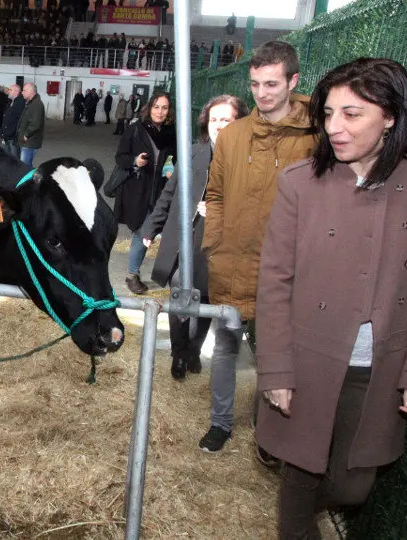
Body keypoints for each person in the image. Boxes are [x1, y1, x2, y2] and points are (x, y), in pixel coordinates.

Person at [256, 57, 407, 539]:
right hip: (308, 360)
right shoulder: (300, 182)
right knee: (300, 480)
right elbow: (275, 280)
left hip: (378, 366)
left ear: (390, 116)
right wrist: (277, 368)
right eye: (328, 114)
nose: (334, 128)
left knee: (353, 486)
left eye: (351, 114)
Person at [199, 40, 317, 454]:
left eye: (271, 84)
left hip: (283, 271)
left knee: (274, 359)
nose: (262, 94)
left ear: (293, 81)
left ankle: (268, 434)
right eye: (255, 84)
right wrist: (214, 241)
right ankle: (220, 423)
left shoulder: (314, 138)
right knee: (225, 350)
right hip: (230, 262)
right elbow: (214, 194)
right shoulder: (232, 136)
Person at [142, 95, 248, 378]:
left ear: (240, 124)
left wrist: (221, 208)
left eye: (226, 120)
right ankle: (179, 353)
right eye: (214, 119)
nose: (219, 126)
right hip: (183, 239)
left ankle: (193, 351)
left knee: (205, 301)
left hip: (217, 245)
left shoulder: (248, 162)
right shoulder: (192, 152)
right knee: (179, 296)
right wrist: (152, 227)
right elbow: (170, 191)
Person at [113, 92, 177, 295]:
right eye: (156, 106)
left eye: (164, 107)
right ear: (149, 108)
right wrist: (135, 161)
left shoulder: (172, 132)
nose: (160, 111)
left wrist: (171, 168)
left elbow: (175, 158)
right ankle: (132, 275)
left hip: (159, 191)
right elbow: (120, 157)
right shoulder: (135, 129)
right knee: (142, 232)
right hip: (137, 191)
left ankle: (138, 273)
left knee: (149, 232)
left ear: (169, 111)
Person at [16, 83, 45, 167]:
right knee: (27, 165)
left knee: (25, 167)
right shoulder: (31, 103)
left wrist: (26, 134)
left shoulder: (36, 104)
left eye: (24, 90)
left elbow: (35, 123)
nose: (22, 92)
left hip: (29, 142)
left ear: (31, 92)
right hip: (28, 142)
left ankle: (29, 180)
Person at [0, 84, 26, 157]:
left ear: (16, 92)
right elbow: (6, 118)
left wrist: (13, 133)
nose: (8, 91)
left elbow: (20, 121)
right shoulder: (10, 102)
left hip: (13, 138)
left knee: (15, 159)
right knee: (8, 158)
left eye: (10, 90)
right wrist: (2, 132)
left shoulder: (20, 103)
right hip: (6, 136)